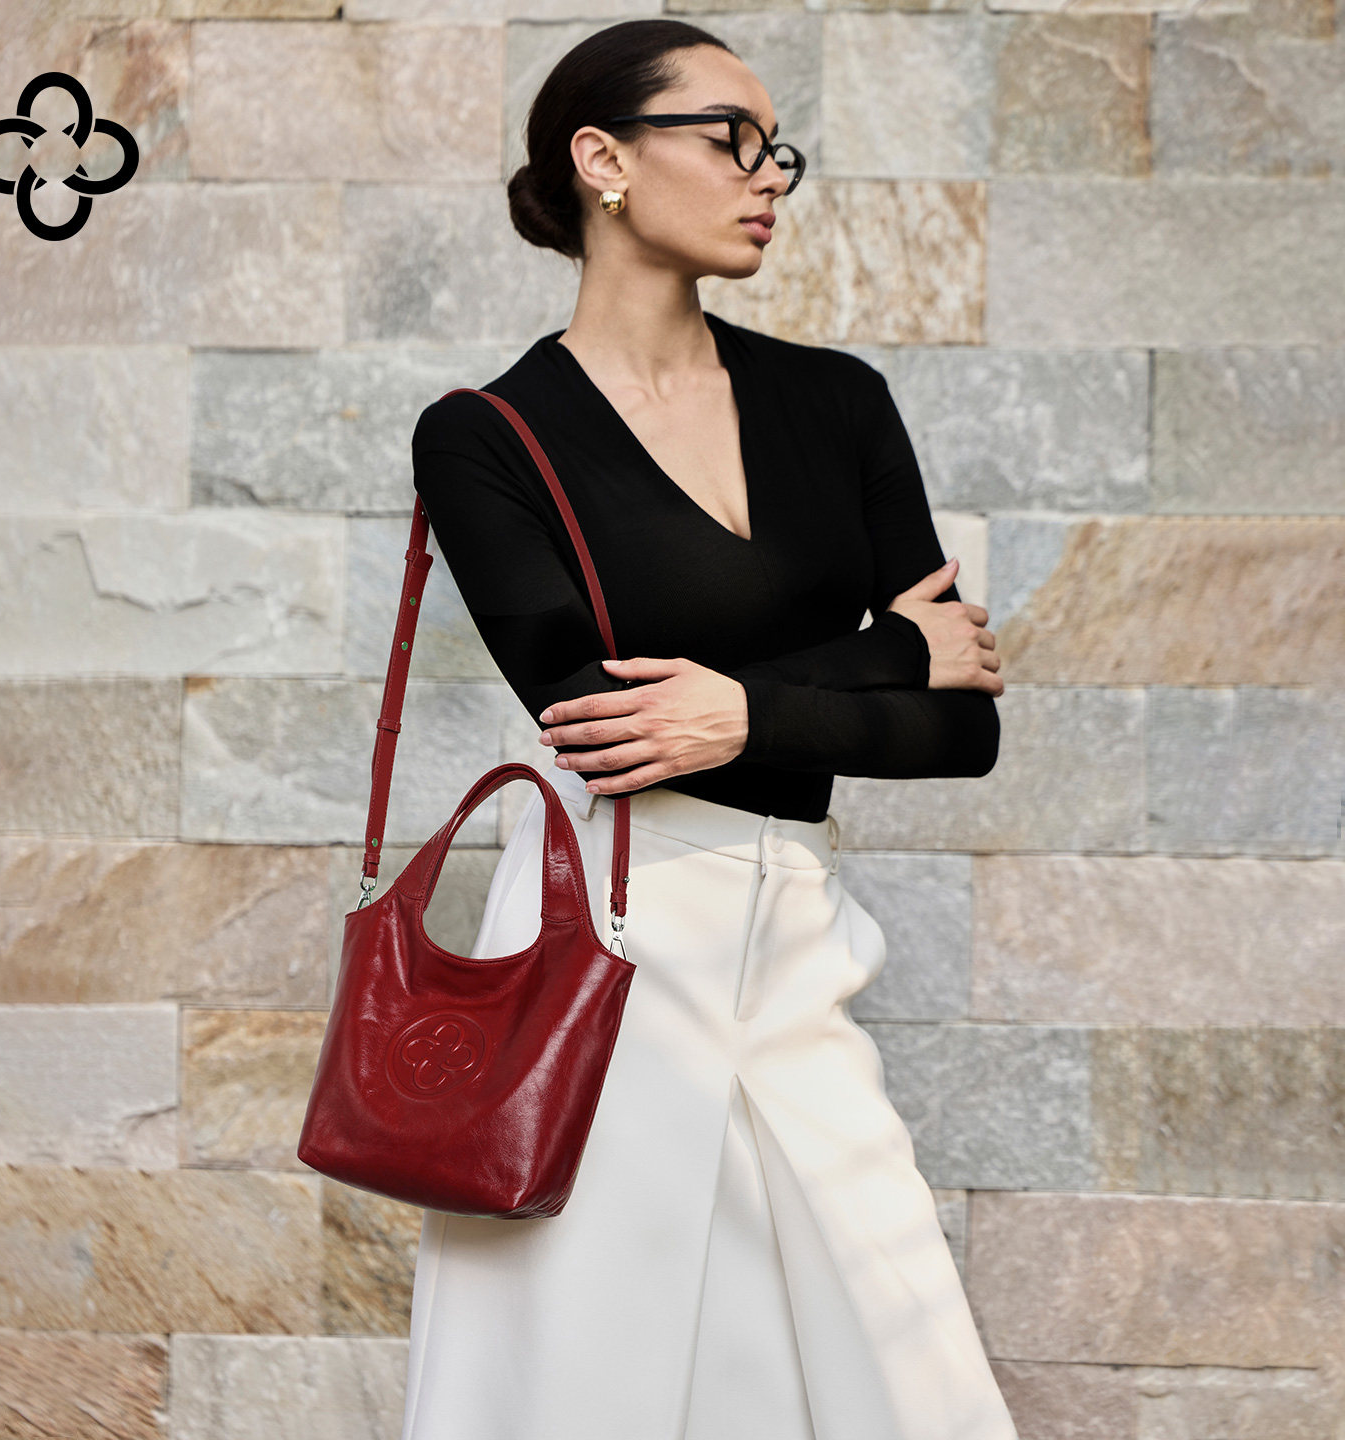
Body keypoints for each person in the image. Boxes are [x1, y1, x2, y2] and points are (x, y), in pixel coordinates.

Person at [399, 17, 1016, 1440]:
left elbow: (963, 734)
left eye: (777, 149)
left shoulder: (838, 403)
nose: (767, 175)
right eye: (730, 138)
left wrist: (742, 711)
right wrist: (885, 656)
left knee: (898, 1365)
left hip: (795, 929)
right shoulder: (486, 434)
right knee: (573, 1376)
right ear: (603, 161)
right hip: (600, 939)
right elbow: (598, 722)